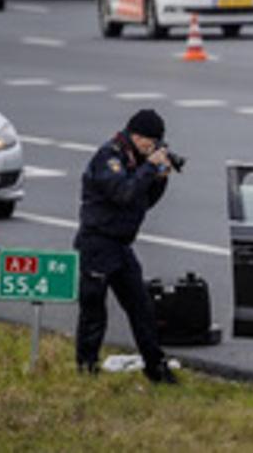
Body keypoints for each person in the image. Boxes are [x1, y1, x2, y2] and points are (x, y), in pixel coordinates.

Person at [74, 109, 177, 384]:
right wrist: (148, 168)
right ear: (137, 135)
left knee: (141, 307)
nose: (152, 148)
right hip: (98, 242)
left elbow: (142, 201)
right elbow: (123, 193)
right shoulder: (110, 157)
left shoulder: (136, 160)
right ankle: (86, 368)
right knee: (94, 310)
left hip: (121, 246)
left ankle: (156, 368)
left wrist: (160, 178)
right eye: (150, 142)